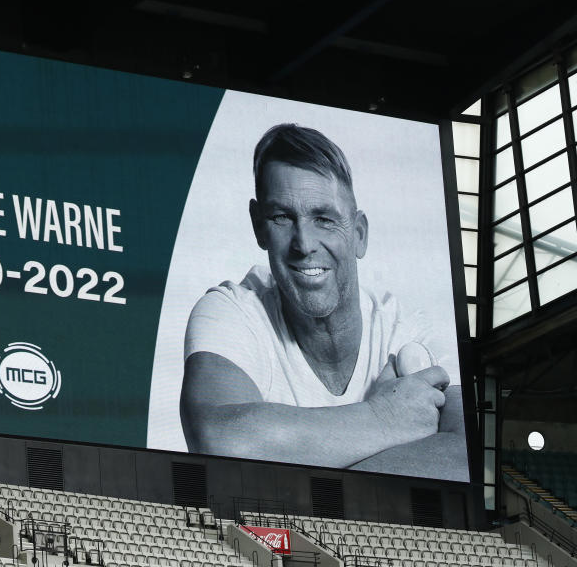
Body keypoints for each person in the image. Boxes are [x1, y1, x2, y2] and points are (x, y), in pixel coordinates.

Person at [180, 123, 466, 479]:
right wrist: (385, 419)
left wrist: (294, 471)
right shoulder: (231, 312)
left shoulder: (412, 331)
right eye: (282, 217)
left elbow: (468, 459)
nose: (304, 243)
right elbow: (218, 441)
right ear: (258, 227)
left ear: (359, 234)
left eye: (324, 219)